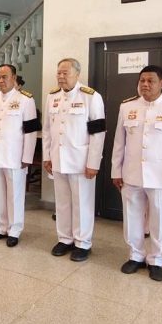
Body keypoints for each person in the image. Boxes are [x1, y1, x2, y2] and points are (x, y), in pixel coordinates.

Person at [111, 65, 162, 280]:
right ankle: (135, 255)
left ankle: (156, 259)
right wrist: (116, 171)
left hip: (161, 176)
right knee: (132, 217)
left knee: (158, 219)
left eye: (150, 81)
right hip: (131, 173)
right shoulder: (127, 107)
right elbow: (119, 142)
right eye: (142, 80)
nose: (145, 85)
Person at [42, 58, 106, 262]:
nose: (61, 77)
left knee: (82, 204)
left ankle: (82, 243)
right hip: (58, 159)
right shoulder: (52, 96)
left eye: (65, 73)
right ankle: (65, 239)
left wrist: (93, 163)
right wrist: (47, 156)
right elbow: (47, 130)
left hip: (81, 162)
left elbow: (98, 133)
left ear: (77, 74)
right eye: (59, 73)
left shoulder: (91, 97)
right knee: (62, 203)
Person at [0, 64, 39, 247]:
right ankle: (0, 227)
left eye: (4, 77)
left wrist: (27, 156)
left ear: (14, 78)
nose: (0, 81)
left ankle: (14, 230)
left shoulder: (25, 100)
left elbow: (30, 131)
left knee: (15, 194)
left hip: (15, 156)